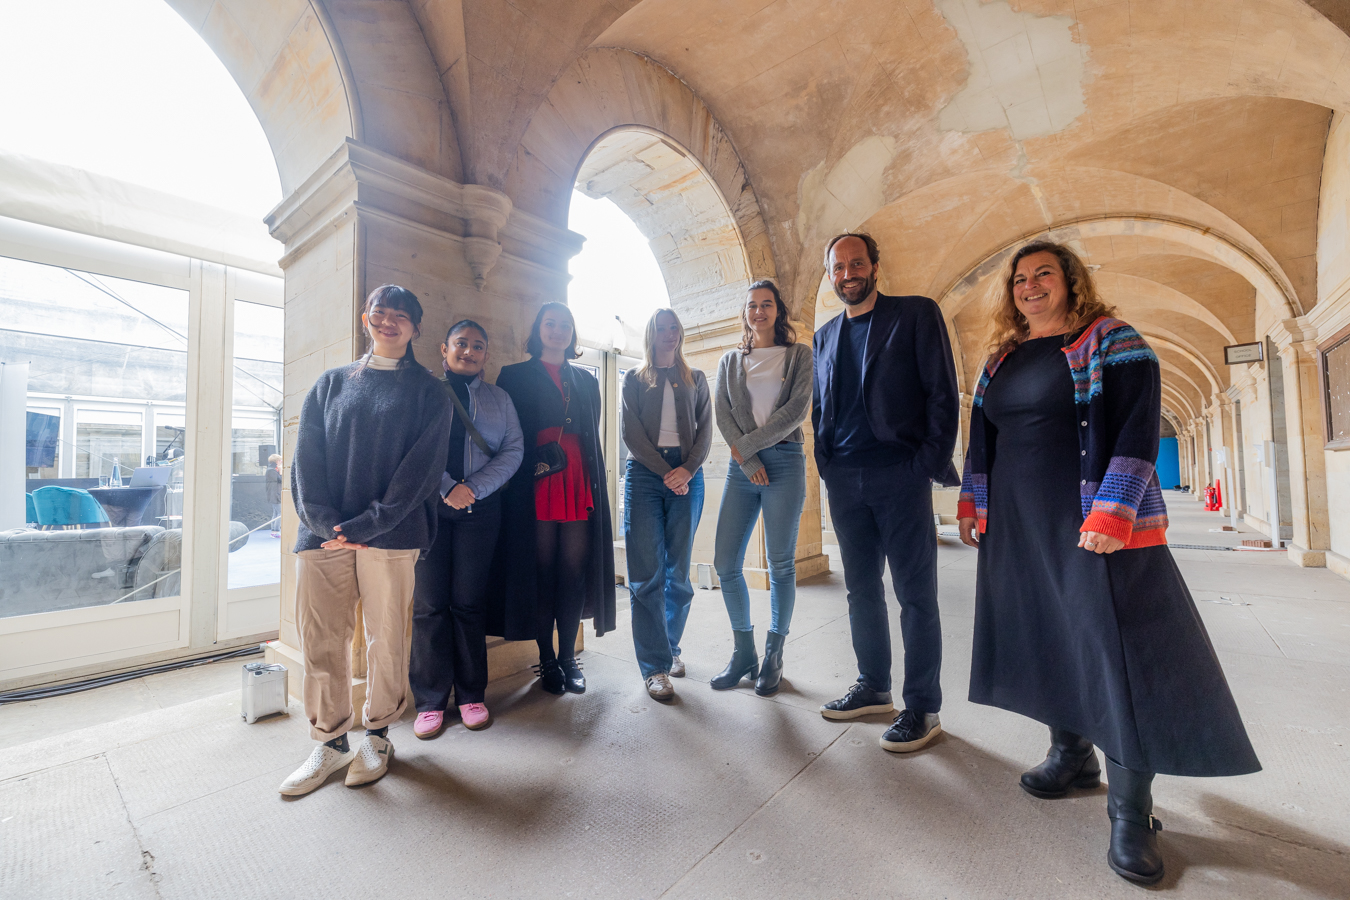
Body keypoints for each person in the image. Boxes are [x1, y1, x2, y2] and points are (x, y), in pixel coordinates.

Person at [957, 240, 1260, 884]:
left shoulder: (1110, 339)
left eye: (1045, 274)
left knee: (1115, 652)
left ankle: (1132, 813)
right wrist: (974, 502)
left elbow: (1134, 426)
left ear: (1071, 280)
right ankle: (1071, 754)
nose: (1030, 286)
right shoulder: (1001, 359)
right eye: (1020, 279)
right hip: (1019, 527)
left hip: (1094, 523)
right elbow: (983, 436)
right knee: (1049, 635)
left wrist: (1114, 509)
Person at [279, 284, 450, 796]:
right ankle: (330, 743)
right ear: (364, 319)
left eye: (401, 316)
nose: (388, 321)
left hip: (392, 534)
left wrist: (365, 525)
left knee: (386, 638)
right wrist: (328, 523)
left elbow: (421, 473)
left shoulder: (430, 392)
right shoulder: (330, 384)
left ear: (417, 329)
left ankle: (377, 735)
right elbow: (305, 461)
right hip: (323, 538)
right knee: (322, 638)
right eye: (380, 313)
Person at [811, 233, 960, 753]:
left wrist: (924, 465)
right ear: (830, 274)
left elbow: (942, 394)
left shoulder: (915, 315)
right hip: (844, 478)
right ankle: (873, 686)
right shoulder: (825, 335)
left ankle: (922, 707)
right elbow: (820, 407)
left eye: (857, 263)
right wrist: (824, 464)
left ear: (875, 266)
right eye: (838, 266)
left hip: (900, 473)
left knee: (915, 595)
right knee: (861, 591)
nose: (848, 272)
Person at [489, 302, 616, 695]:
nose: (557, 330)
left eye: (565, 325)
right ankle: (546, 659)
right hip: (537, 480)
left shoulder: (585, 380)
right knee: (541, 573)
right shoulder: (513, 375)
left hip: (578, 479)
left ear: (572, 333)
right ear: (538, 329)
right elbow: (506, 433)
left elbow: (590, 436)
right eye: (550, 323)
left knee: (573, 574)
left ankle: (567, 658)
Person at [409, 320, 523, 738]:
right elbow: (411, 448)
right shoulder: (424, 393)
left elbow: (513, 450)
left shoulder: (500, 398)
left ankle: (472, 695)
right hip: (430, 511)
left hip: (480, 510)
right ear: (444, 348)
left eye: (478, 346)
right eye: (462, 343)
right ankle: (430, 701)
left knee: (469, 603)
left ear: (486, 355)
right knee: (429, 605)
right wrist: (446, 489)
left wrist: (472, 488)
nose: (469, 351)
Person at [710, 280, 812, 695]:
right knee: (725, 561)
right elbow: (722, 413)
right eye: (752, 305)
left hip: (785, 463)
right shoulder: (730, 361)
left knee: (781, 562)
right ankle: (743, 653)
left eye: (766, 304)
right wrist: (747, 460)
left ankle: (774, 654)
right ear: (745, 312)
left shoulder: (799, 355)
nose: (759, 311)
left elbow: (797, 409)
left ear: (778, 311)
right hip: (742, 468)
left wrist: (748, 448)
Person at [621, 308, 712, 700]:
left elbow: (706, 431)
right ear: (651, 333)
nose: (670, 333)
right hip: (645, 476)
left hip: (688, 476)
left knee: (678, 575)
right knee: (646, 576)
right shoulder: (633, 379)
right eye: (662, 328)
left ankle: (669, 647)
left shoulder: (697, 379)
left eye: (675, 327)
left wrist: (687, 470)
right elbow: (632, 433)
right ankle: (655, 668)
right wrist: (665, 472)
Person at [265, 453, 282, 538]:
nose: (281, 462)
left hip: (274, 494)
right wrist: (281, 472)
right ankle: (276, 531)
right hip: (275, 495)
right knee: (280, 513)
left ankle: (273, 531)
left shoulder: (272, 470)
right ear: (276, 461)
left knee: (276, 513)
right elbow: (280, 480)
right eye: (280, 460)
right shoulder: (271, 470)